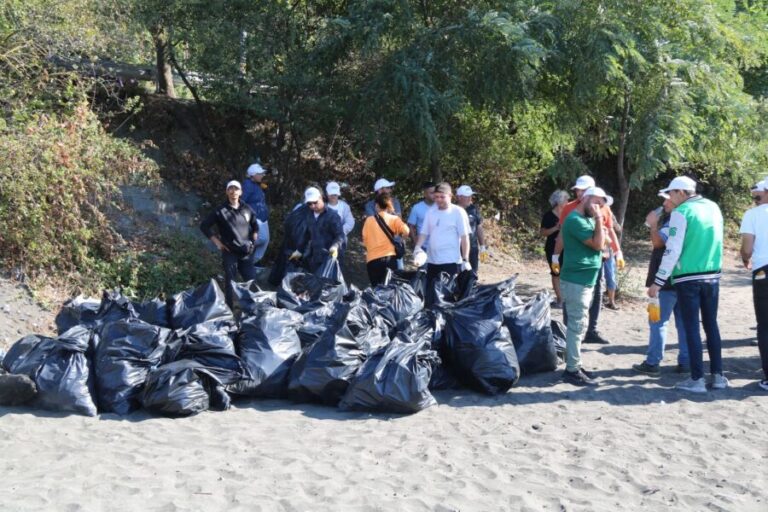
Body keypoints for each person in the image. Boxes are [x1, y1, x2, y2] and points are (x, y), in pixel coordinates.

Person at [648, 176, 726, 393]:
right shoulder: (713, 207)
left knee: (691, 327)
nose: (670, 197)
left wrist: (658, 281)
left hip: (687, 277)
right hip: (712, 274)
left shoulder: (682, 212)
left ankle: (697, 379)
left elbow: (672, 249)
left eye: (671, 193)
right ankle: (718, 376)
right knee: (711, 325)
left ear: (681, 192)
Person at [552, 175, 624, 344]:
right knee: (573, 296)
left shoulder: (603, 207)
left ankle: (592, 331)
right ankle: (568, 331)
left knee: (597, 293)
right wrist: (556, 255)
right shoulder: (569, 209)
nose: (579, 193)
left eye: (583, 190)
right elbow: (562, 233)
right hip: (576, 260)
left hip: (598, 259)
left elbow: (609, 230)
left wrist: (617, 251)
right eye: (578, 190)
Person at [632, 193, 690, 376]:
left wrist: (653, 224)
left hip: (665, 281)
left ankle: (653, 362)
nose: (664, 203)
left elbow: (658, 243)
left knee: (657, 321)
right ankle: (685, 362)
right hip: (683, 278)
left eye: (667, 199)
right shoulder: (687, 219)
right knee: (683, 323)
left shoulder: (674, 220)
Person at [559, 187, 611, 386]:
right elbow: (598, 245)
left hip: (586, 279)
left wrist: (599, 227)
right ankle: (572, 369)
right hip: (576, 280)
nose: (599, 208)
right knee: (576, 325)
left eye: (601, 205)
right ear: (586, 198)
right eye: (596, 202)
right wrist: (599, 220)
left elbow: (605, 242)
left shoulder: (587, 219)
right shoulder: (575, 220)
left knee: (580, 324)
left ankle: (574, 364)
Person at [200, 180, 259, 307]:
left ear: (241, 192)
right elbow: (204, 226)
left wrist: (253, 242)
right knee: (230, 282)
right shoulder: (220, 210)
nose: (233, 191)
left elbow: (255, 226)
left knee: (252, 281)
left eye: (236, 189)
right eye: (230, 189)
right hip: (230, 252)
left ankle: (255, 309)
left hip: (246, 252)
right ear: (227, 192)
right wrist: (217, 242)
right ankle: (230, 310)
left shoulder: (247, 208)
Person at [413, 182, 471, 307]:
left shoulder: (458, 212)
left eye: (442, 197)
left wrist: (465, 259)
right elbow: (424, 233)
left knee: (445, 297)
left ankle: (446, 317)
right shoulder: (431, 212)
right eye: (436, 197)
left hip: (450, 262)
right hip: (432, 261)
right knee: (430, 295)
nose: (438, 200)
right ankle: (432, 317)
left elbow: (465, 237)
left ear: (450, 196)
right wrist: (417, 247)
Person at [739, 178, 768, 391]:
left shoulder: (753, 214)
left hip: (764, 270)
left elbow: (747, 249)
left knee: (765, 325)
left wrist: (745, 258)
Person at [292, 186, 344, 274]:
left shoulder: (332, 216)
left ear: (321, 198)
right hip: (313, 257)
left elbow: (340, 235)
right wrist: (299, 250)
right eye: (309, 204)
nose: (313, 206)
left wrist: (335, 246)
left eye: (315, 202)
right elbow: (307, 234)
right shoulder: (309, 215)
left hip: (328, 257)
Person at [362, 192, 410, 286]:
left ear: (376, 206)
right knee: (390, 288)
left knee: (376, 289)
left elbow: (365, 240)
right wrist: (400, 239)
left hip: (372, 260)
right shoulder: (394, 219)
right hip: (389, 258)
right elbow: (406, 231)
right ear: (389, 206)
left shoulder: (368, 220)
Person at [541, 189, 569, 307]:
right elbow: (543, 232)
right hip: (552, 250)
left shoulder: (569, 214)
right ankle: (560, 300)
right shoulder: (548, 215)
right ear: (559, 201)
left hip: (567, 249)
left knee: (566, 273)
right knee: (556, 273)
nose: (568, 201)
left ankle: (567, 299)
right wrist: (556, 228)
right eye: (566, 199)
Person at [456, 185, 489, 271]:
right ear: (459, 197)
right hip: (457, 249)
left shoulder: (473, 209)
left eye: (470, 196)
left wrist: (482, 246)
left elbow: (479, 227)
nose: (470, 198)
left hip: (473, 248)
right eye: (467, 196)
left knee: (473, 274)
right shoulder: (453, 210)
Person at [241, 163, 270, 263]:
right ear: (253, 175)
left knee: (265, 241)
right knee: (262, 238)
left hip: (263, 218)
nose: (262, 175)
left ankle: (252, 262)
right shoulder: (247, 185)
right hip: (255, 217)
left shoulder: (258, 185)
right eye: (260, 174)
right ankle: (242, 247)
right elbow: (241, 201)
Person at [325, 181, 355, 270]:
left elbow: (350, 222)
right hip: (324, 237)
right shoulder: (323, 206)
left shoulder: (344, 206)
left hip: (340, 238)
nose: (333, 196)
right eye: (331, 194)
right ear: (327, 194)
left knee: (338, 260)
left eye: (335, 194)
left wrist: (340, 232)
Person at [407, 181, 436, 248]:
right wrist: (415, 241)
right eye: (431, 193)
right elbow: (411, 226)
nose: (434, 195)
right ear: (425, 194)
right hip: (423, 246)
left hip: (438, 246)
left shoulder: (440, 206)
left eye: (435, 192)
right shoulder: (417, 208)